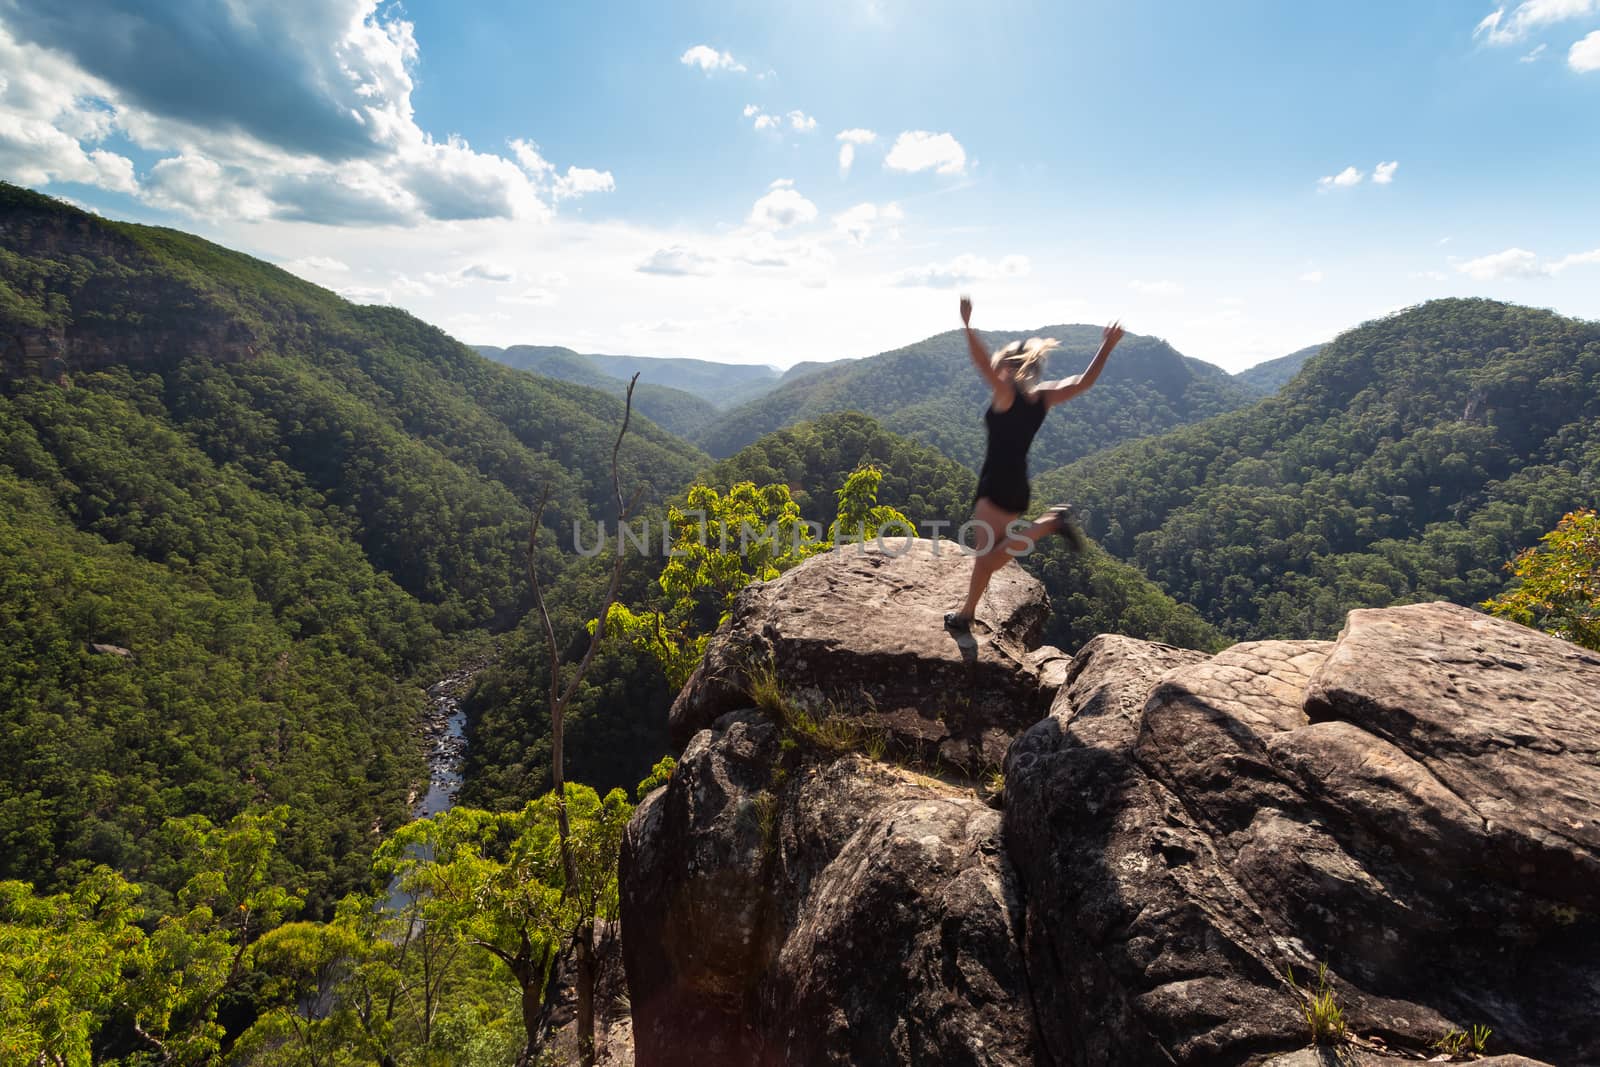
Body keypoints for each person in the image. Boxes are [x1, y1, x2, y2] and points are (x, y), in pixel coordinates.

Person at [944, 295, 1125, 631]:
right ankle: (968, 610)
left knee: (985, 560)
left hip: (996, 484)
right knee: (989, 558)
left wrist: (967, 326)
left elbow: (982, 364)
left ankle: (1046, 526)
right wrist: (1107, 347)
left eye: (1002, 364)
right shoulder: (1042, 397)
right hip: (1017, 486)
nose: (997, 368)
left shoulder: (1006, 393)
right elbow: (1082, 383)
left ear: (1010, 367)